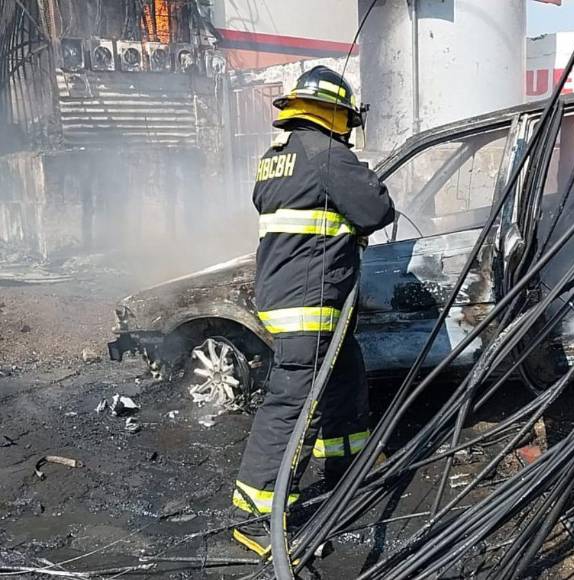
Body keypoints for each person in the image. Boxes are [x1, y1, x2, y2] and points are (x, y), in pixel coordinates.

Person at [232, 66, 395, 558]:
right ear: (333, 112)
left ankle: (347, 463)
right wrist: (359, 179)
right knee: (293, 406)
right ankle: (255, 515)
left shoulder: (274, 159)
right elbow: (377, 210)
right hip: (308, 304)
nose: (347, 126)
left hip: (292, 296)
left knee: (346, 377)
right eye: (345, 117)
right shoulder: (327, 154)